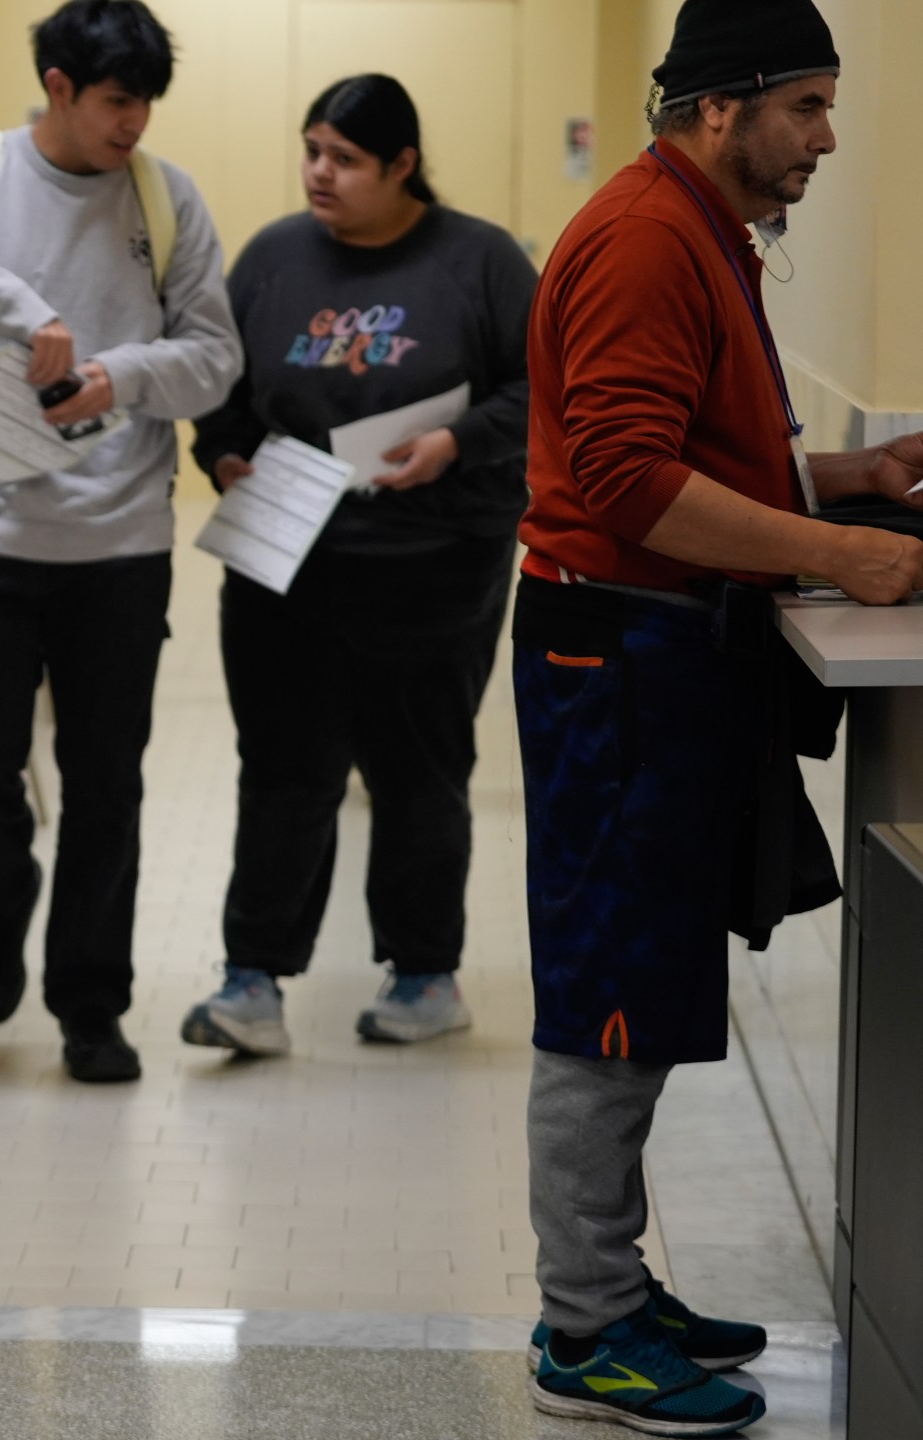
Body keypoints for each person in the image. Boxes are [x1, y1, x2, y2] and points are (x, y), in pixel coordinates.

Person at [513, 2, 923, 1431]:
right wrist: (837, 551)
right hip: (614, 655)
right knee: (607, 993)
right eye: (805, 107)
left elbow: (691, 445)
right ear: (715, 108)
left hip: (653, 648)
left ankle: (614, 1284)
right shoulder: (644, 238)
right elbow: (629, 483)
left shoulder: (692, 225)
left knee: (649, 978)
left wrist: (845, 485)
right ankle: (584, 1330)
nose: (824, 138)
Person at [0, 0, 243, 1083]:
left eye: (147, 103)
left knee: (106, 781)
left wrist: (121, 375)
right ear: (60, 87)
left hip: (117, 542)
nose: (134, 124)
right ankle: (0, 888)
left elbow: (213, 356)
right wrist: (17, 306)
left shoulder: (165, 201)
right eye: (118, 101)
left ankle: (89, 1006)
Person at [182, 74, 536, 1056]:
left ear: (401, 167)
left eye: (342, 159)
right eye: (310, 151)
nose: (318, 174)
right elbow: (220, 389)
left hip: (433, 559)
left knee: (416, 769)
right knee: (283, 769)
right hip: (284, 558)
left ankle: (424, 975)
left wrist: (456, 443)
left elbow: (544, 389)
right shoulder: (271, 258)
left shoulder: (479, 262)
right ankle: (250, 982)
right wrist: (220, 452)